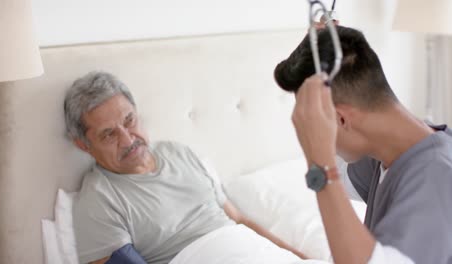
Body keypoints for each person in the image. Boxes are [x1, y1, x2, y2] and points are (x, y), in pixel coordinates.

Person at [64, 71, 307, 264]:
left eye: (129, 120)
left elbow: (239, 220)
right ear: (84, 145)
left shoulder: (177, 152)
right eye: (109, 134)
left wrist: (300, 258)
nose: (128, 139)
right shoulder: (98, 199)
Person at [274, 25, 452, 263]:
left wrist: (319, 163)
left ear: (342, 118)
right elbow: (343, 178)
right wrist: (328, 45)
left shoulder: (435, 174)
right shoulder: (391, 154)